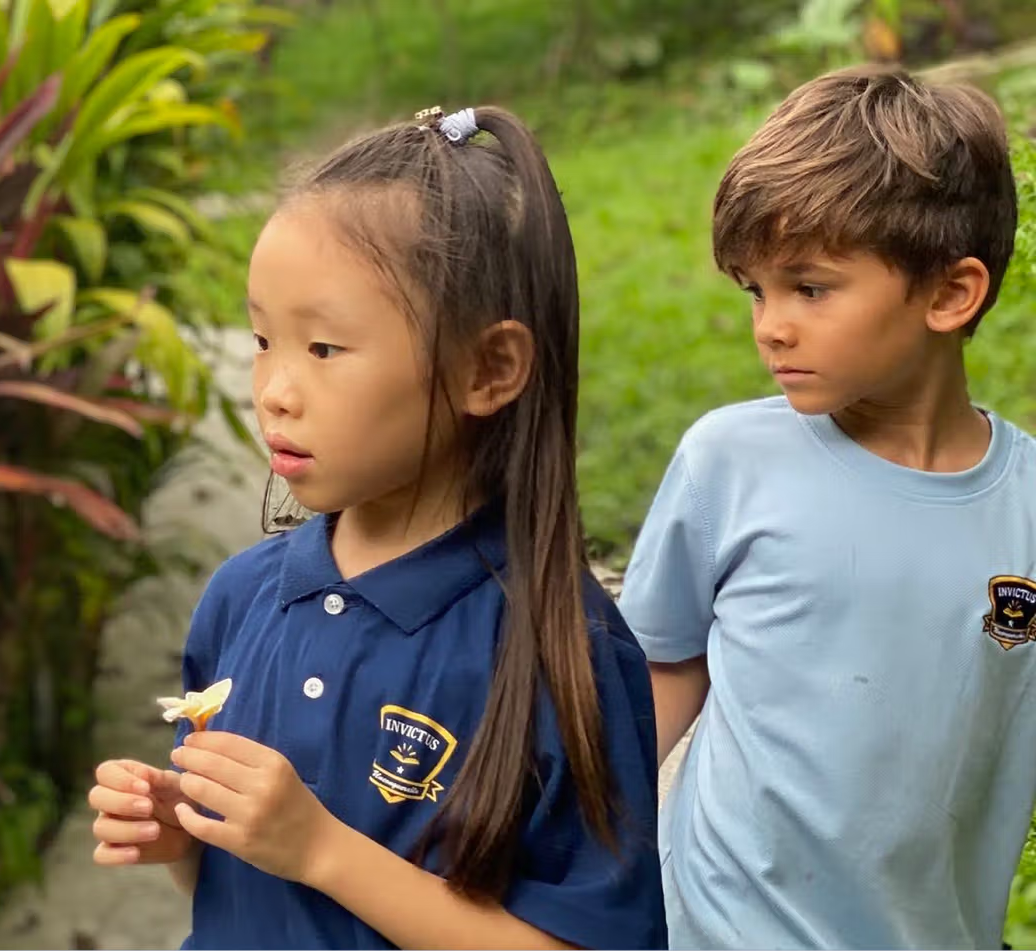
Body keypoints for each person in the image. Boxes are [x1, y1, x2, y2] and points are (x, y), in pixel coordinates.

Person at [87, 106, 666, 950]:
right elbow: (240, 889)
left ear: (488, 368)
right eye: (260, 339)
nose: (275, 390)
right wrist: (185, 832)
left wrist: (321, 849)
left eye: (323, 348)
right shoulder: (241, 597)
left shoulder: (561, 647)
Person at [622, 64, 1034, 949]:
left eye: (810, 288)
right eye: (756, 291)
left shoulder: (1029, 508)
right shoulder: (729, 462)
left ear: (950, 293)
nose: (771, 324)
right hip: (716, 929)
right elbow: (660, 669)